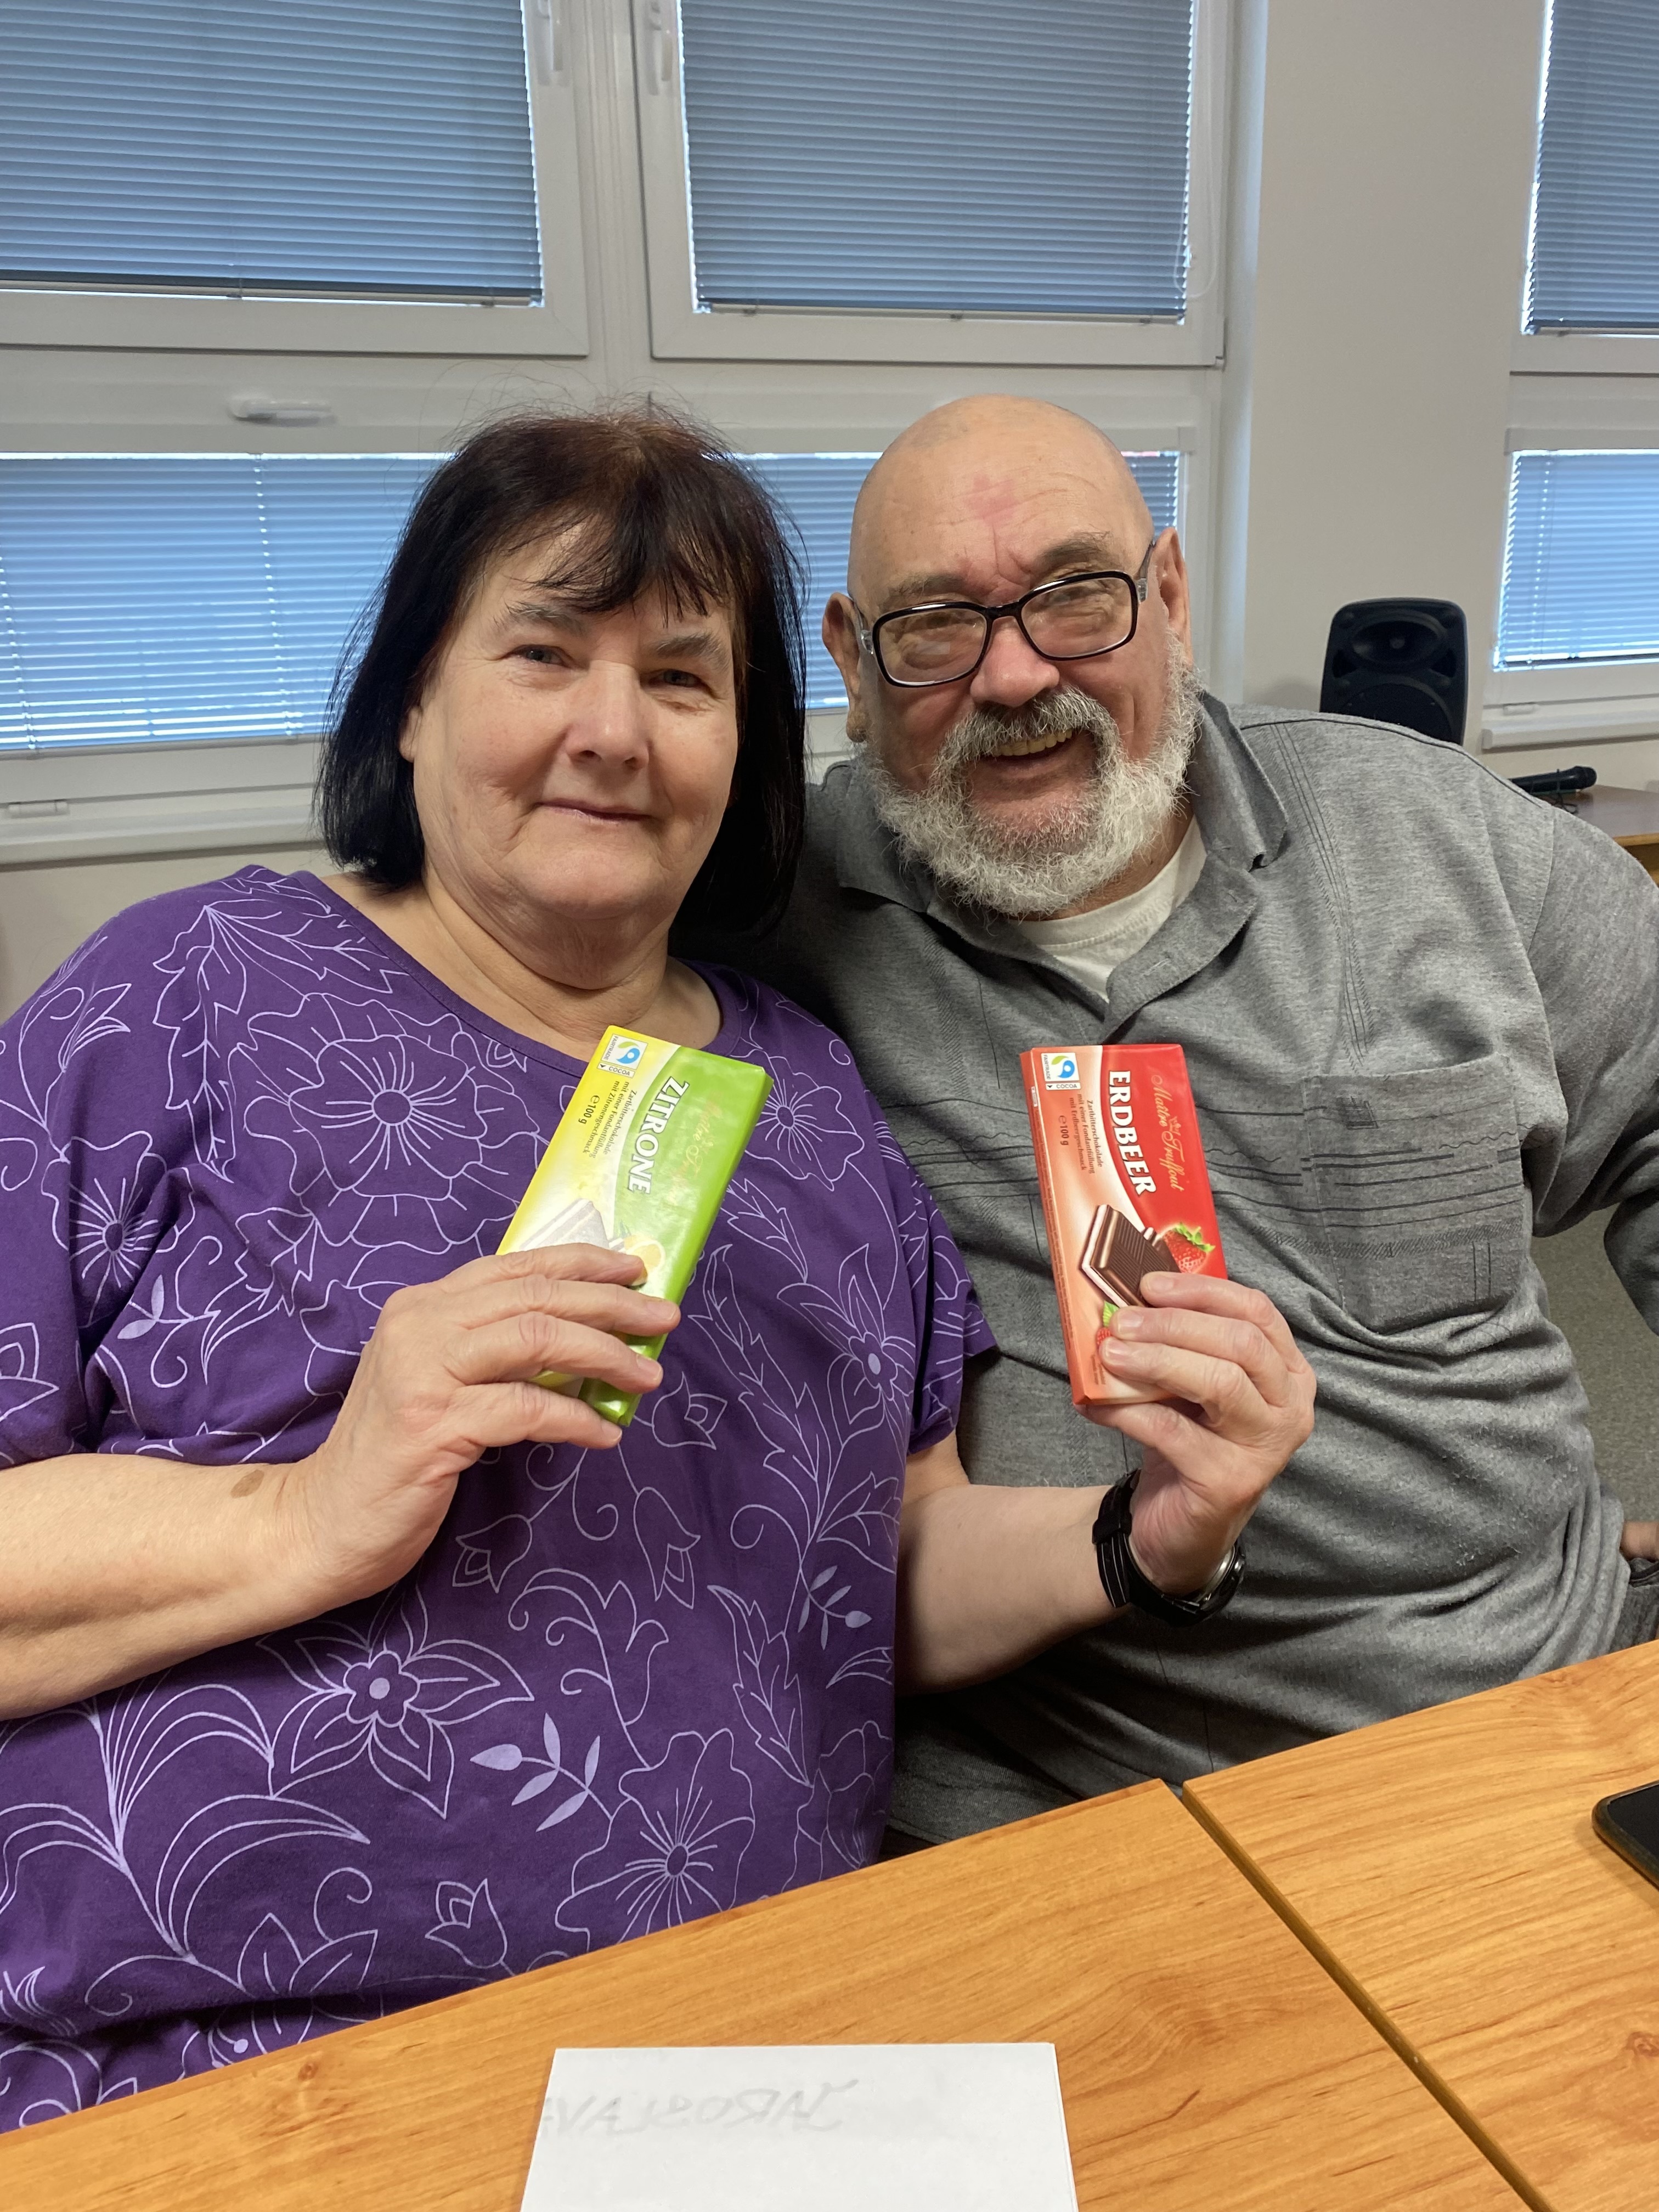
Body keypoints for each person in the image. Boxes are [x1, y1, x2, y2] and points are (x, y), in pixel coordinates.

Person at [0, 409, 1308, 2129]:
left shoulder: (814, 1097)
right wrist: (304, 1511)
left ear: (744, 750)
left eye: (683, 679)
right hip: (209, 2051)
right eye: (544, 652)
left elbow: (887, 1569)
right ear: (412, 702)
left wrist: (1146, 1535)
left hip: (732, 2065)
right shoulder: (183, 995)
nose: (612, 731)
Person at [706, 392, 1659, 1847]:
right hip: (1072, 1797)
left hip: (1532, 1697)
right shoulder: (767, 918)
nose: (1014, 674)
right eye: (936, 624)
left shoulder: (1435, 834)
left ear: (1169, 594)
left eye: (1075, 596)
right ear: (851, 656)